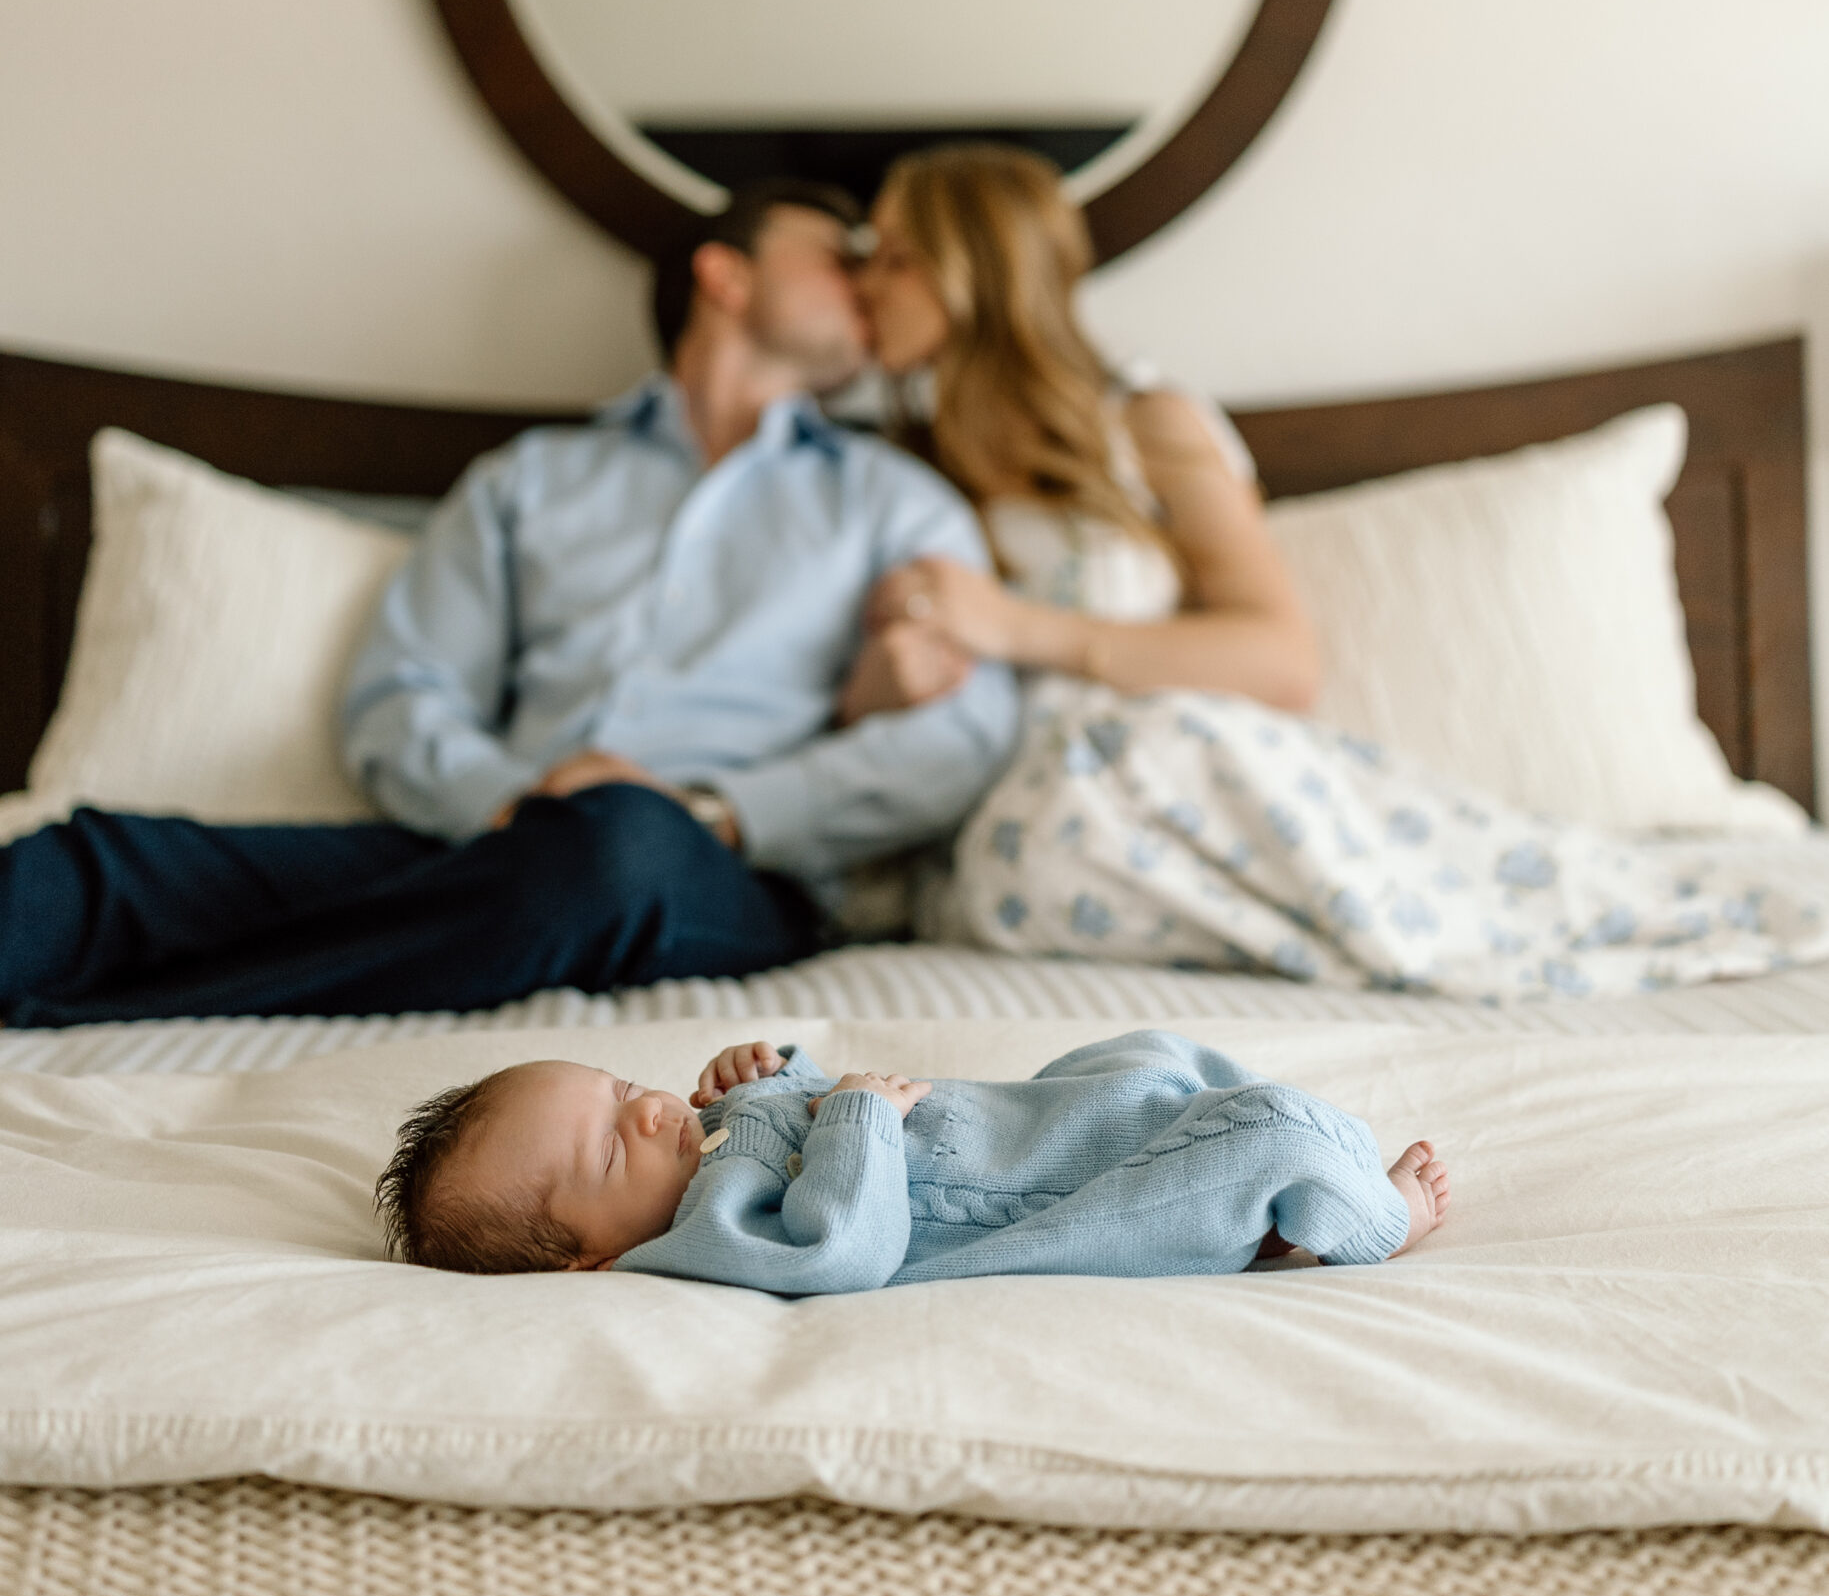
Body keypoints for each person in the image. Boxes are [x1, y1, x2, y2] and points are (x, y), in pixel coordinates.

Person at [0, 182, 1020, 1028]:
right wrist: (510, 800)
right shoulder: (529, 479)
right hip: (492, 838)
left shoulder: (894, 501)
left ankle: (107, 1011)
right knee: (84, 862)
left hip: (709, 866)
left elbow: (961, 737)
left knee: (613, 844)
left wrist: (712, 811)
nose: (865, 278)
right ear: (725, 272)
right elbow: (400, 696)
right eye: (837, 254)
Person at [838, 145, 1829, 998]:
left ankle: (1436, 919)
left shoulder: (1143, 427)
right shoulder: (896, 473)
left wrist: (1016, 628)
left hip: (1162, 780)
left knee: (1145, 766)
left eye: (896, 258)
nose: (866, 283)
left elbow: (1277, 660)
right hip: (1020, 843)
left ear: (977, 275)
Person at [374, 1030, 1451, 1285]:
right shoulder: (709, 1234)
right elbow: (843, 1243)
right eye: (615, 1145)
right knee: (1264, 1128)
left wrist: (766, 1073)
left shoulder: (702, 1151)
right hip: (1048, 1188)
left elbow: (780, 1116)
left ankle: (1253, 1224)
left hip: (1033, 1118)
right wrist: (850, 1118)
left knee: (1145, 1054)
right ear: (588, 1260)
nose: (653, 1110)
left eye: (620, 1089)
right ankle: (1364, 1218)